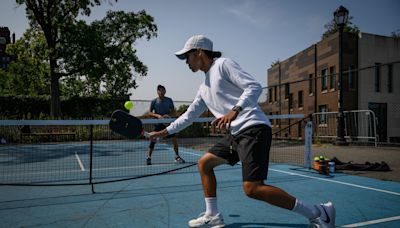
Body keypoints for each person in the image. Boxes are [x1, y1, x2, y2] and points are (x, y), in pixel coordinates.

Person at [149, 35, 336, 228]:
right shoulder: (203, 87)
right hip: (236, 134)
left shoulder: (223, 65)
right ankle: (213, 215)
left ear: (199, 52)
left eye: (186, 56)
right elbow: (188, 116)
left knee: (252, 188)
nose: (185, 62)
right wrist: (164, 132)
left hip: (253, 128)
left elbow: (254, 87)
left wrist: (234, 110)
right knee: (205, 163)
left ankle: (318, 212)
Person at [147, 84, 185, 165]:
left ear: (165, 91)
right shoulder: (154, 101)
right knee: (153, 139)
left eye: (163, 90)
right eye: (160, 90)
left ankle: (177, 156)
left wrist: (168, 116)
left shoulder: (169, 100)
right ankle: (149, 157)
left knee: (174, 138)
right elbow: (149, 113)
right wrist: (158, 115)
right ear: (157, 92)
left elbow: (174, 111)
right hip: (158, 124)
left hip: (168, 123)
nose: (161, 91)